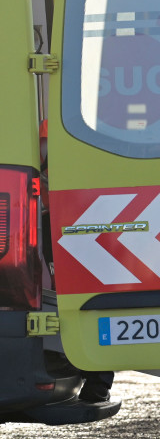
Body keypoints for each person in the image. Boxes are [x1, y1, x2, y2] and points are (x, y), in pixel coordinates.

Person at [38, 120, 115, 405]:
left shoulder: (44, 133)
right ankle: (96, 380)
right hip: (79, 222)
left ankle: (93, 378)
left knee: (64, 299)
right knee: (84, 301)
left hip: (57, 222)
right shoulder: (78, 129)